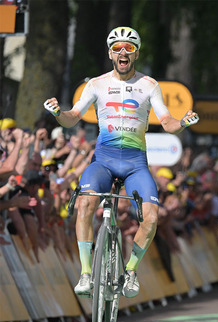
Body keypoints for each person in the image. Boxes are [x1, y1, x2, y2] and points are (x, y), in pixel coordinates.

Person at [43, 26, 199, 298]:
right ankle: (86, 273)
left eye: (129, 48)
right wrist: (58, 113)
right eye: (117, 48)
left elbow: (166, 121)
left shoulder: (149, 85)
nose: (123, 52)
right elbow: (72, 116)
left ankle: (130, 271)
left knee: (151, 218)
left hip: (135, 164)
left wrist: (182, 122)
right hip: (103, 161)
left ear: (136, 54)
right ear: (110, 54)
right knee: (85, 203)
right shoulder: (97, 84)